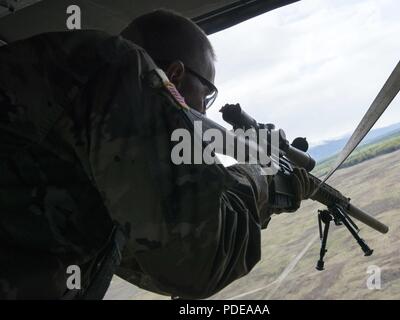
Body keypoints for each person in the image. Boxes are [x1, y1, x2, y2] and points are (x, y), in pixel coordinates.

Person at [0, 9, 312, 299]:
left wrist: (258, 204)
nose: (204, 110)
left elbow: (149, 255)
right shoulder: (119, 70)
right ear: (174, 75)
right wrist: (264, 181)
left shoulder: (72, 100)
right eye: (206, 94)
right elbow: (195, 263)